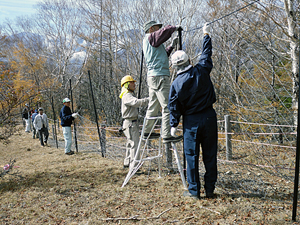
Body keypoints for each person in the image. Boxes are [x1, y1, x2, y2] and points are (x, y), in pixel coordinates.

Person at [168, 23, 218, 199]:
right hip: (210, 117)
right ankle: (210, 188)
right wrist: (206, 34)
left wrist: (173, 124)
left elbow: (173, 106)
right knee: (210, 154)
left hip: (191, 122)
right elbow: (206, 53)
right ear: (189, 60)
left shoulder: (176, 84)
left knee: (191, 156)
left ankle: (194, 191)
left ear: (174, 67)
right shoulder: (202, 69)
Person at [142, 20, 182, 143]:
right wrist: (174, 28)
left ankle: (146, 131)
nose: (158, 30)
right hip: (160, 76)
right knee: (167, 106)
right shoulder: (151, 37)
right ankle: (166, 135)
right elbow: (164, 32)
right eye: (156, 28)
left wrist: (171, 46)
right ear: (150, 29)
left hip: (152, 77)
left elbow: (162, 55)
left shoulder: (149, 42)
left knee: (153, 106)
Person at [119, 75, 149, 169]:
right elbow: (136, 103)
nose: (134, 84)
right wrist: (149, 99)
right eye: (132, 82)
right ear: (127, 84)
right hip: (131, 123)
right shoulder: (127, 95)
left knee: (130, 144)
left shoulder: (127, 95)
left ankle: (127, 163)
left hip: (129, 123)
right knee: (134, 145)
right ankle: (134, 166)